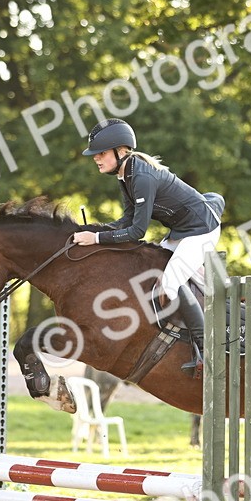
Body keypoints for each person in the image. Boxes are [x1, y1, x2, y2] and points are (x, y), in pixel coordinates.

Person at [72, 118, 222, 375]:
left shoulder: (140, 176)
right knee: (155, 272)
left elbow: (137, 232)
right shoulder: (125, 175)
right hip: (181, 231)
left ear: (121, 151)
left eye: (102, 153)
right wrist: (95, 230)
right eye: (95, 154)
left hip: (201, 231)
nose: (96, 158)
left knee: (171, 284)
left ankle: (209, 353)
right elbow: (126, 221)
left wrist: (96, 239)